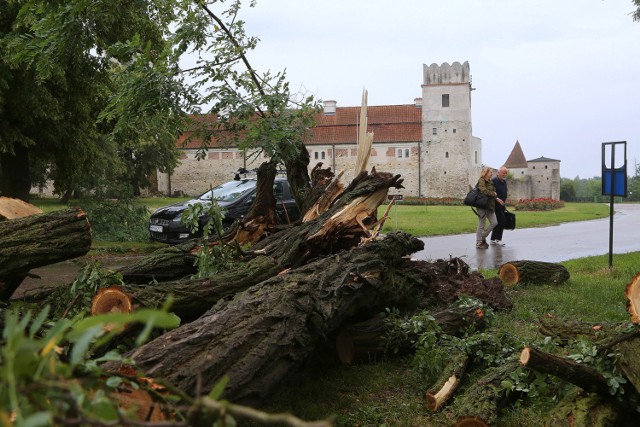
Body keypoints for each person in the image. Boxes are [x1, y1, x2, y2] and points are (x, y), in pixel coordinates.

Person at [475, 166, 498, 249]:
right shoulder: (481, 180)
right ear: (486, 172)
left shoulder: (490, 181)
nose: (492, 173)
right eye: (490, 172)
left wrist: (496, 197)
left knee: (494, 222)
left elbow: (493, 192)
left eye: (492, 172)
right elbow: (483, 190)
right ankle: (478, 242)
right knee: (482, 224)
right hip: (482, 205)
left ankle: (483, 237)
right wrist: (493, 194)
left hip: (490, 205)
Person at [490, 166, 508, 246]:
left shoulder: (504, 182)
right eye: (503, 173)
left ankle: (493, 239)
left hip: (502, 205)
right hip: (495, 204)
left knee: (497, 222)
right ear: (499, 172)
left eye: (506, 173)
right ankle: (498, 239)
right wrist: (497, 198)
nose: (505, 174)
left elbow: (504, 191)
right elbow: (491, 192)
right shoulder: (494, 181)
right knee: (502, 220)